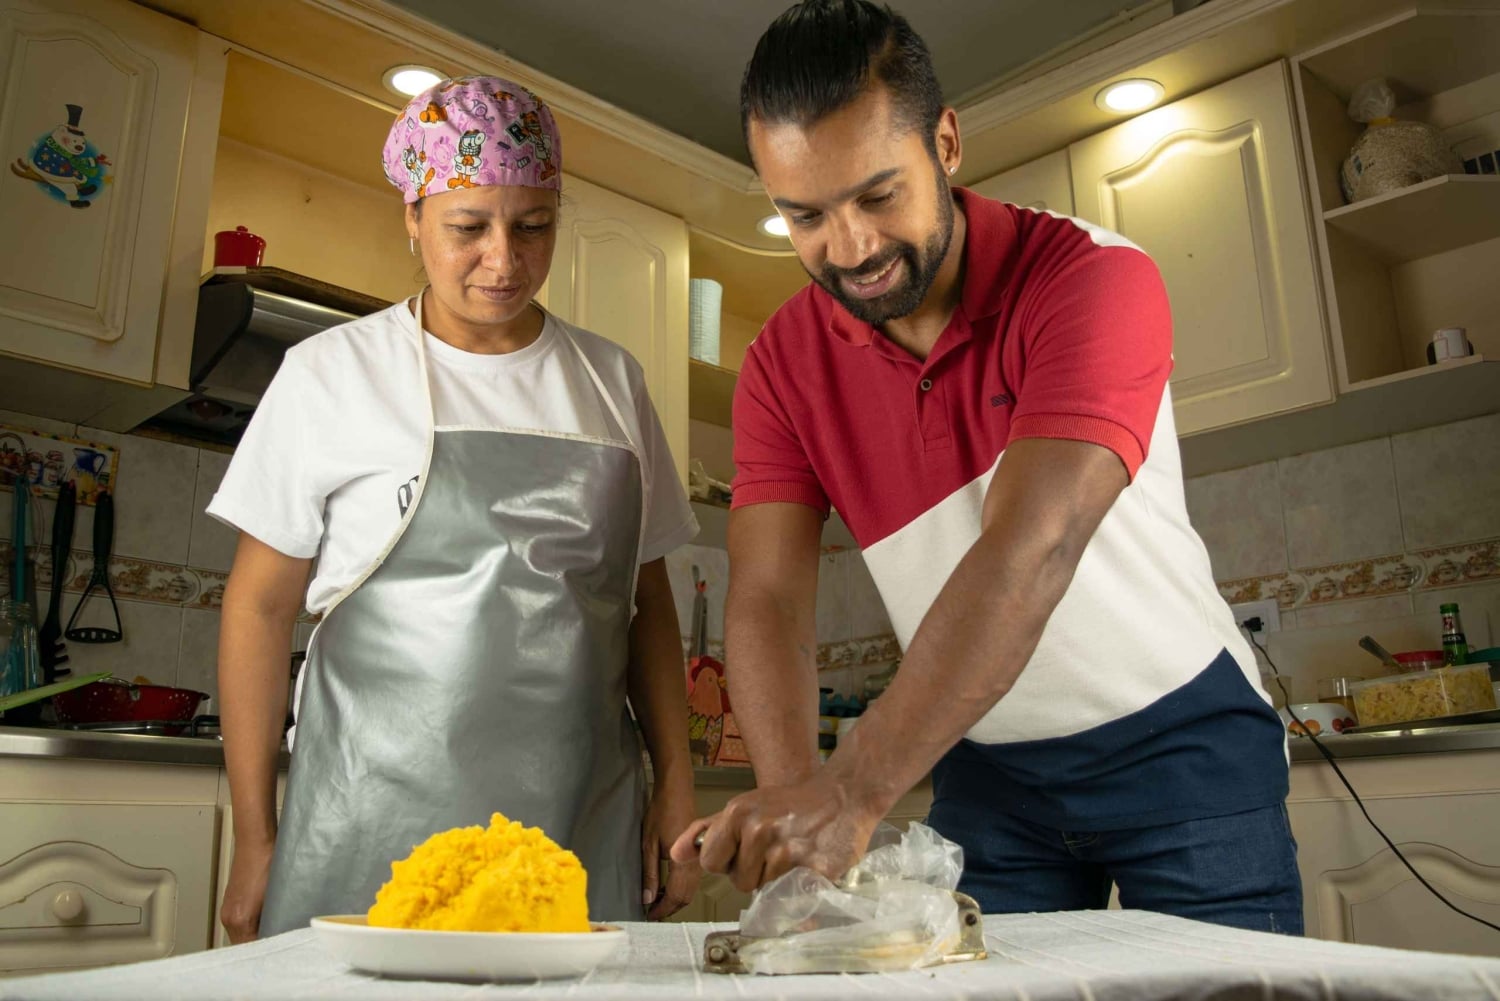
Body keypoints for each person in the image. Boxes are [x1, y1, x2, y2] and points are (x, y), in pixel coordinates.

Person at [672, 0, 1302, 934]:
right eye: (805, 215)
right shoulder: (781, 364)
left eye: (879, 196)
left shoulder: (1092, 279)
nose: (851, 250)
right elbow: (766, 596)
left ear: (948, 143)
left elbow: (1031, 549)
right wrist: (794, 808)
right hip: (989, 770)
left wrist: (850, 792)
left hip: (1184, 747)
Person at [212, 76, 700, 941]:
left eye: (534, 225)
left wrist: (678, 786)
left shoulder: (613, 382)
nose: (503, 260)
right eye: (467, 227)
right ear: (412, 216)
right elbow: (258, 606)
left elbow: (649, 607)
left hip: (573, 825)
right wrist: (255, 835)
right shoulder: (332, 373)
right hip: (365, 822)